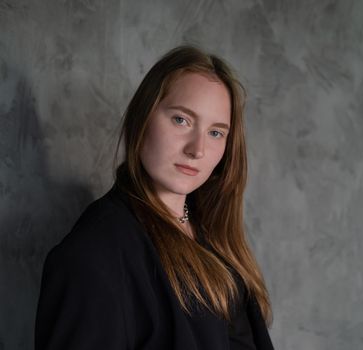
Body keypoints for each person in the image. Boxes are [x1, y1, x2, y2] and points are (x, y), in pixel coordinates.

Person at [35, 45, 274, 350]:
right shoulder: (93, 255)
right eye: (181, 120)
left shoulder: (213, 238)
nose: (197, 149)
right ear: (142, 118)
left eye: (216, 133)